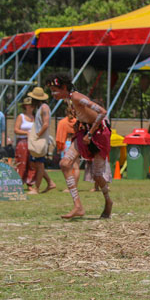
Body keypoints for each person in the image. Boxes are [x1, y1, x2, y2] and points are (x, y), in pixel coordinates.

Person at [46, 73, 113, 219]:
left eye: (54, 90)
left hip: (99, 133)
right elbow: (86, 114)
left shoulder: (76, 97)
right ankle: (78, 206)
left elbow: (102, 112)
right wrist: (80, 124)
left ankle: (108, 201)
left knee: (97, 175)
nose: (53, 94)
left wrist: (90, 133)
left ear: (64, 87)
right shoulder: (69, 99)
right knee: (65, 163)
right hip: (85, 132)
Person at [25, 87, 56, 194]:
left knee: (38, 164)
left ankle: (36, 188)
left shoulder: (44, 108)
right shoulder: (41, 108)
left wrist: (37, 135)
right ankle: (50, 182)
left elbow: (46, 124)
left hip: (40, 139)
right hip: (39, 138)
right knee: (36, 164)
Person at [13, 97, 36, 188]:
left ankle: (30, 183)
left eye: (32, 105)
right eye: (29, 105)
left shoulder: (35, 117)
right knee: (21, 162)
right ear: (25, 106)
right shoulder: (21, 116)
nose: (30, 107)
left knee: (32, 163)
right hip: (23, 141)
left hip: (33, 142)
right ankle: (18, 182)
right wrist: (26, 133)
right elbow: (16, 130)